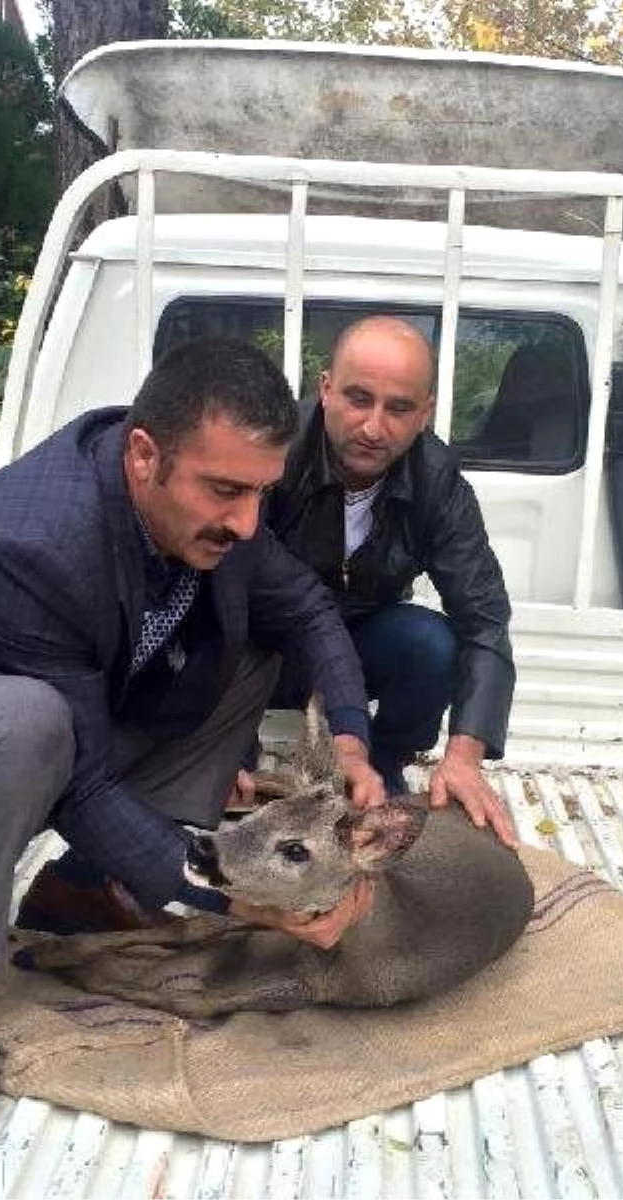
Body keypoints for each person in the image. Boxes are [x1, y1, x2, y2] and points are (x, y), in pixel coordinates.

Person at [0, 338, 383, 1110]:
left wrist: (349, 736)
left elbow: (309, 609)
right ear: (145, 456)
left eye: (261, 494)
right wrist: (229, 894)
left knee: (247, 642)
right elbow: (78, 781)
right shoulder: (28, 544)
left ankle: (87, 888)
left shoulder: (208, 505)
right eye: (226, 492)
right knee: (27, 718)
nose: (249, 523)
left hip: (63, 737)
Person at [266, 315, 516, 845]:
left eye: (399, 408)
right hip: (269, 643)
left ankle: (381, 767)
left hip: (362, 641)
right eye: (358, 399)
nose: (374, 427)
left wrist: (465, 756)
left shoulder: (435, 479)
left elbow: (485, 620)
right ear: (326, 390)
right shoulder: (273, 452)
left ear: (424, 414)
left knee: (431, 642)